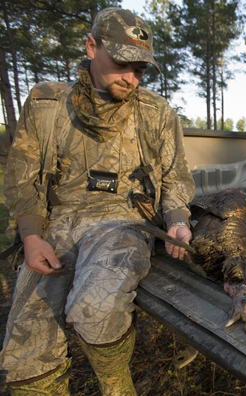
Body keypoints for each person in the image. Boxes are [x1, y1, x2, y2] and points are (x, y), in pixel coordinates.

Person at [0, 7, 195, 395]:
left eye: (140, 69)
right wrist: (31, 236)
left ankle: (117, 385)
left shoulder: (155, 112)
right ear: (92, 46)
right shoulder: (46, 104)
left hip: (123, 222)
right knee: (25, 346)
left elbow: (176, 176)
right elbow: (21, 177)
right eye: (123, 63)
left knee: (96, 307)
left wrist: (176, 219)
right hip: (56, 225)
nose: (131, 77)